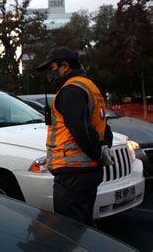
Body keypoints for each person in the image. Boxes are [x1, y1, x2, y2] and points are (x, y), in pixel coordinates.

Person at [36, 46, 114, 227]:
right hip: (87, 171)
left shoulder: (71, 90)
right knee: (84, 225)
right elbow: (103, 126)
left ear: (65, 66)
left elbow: (81, 129)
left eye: (52, 68)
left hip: (73, 173)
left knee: (69, 230)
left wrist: (96, 152)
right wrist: (102, 150)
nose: (50, 74)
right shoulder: (90, 87)